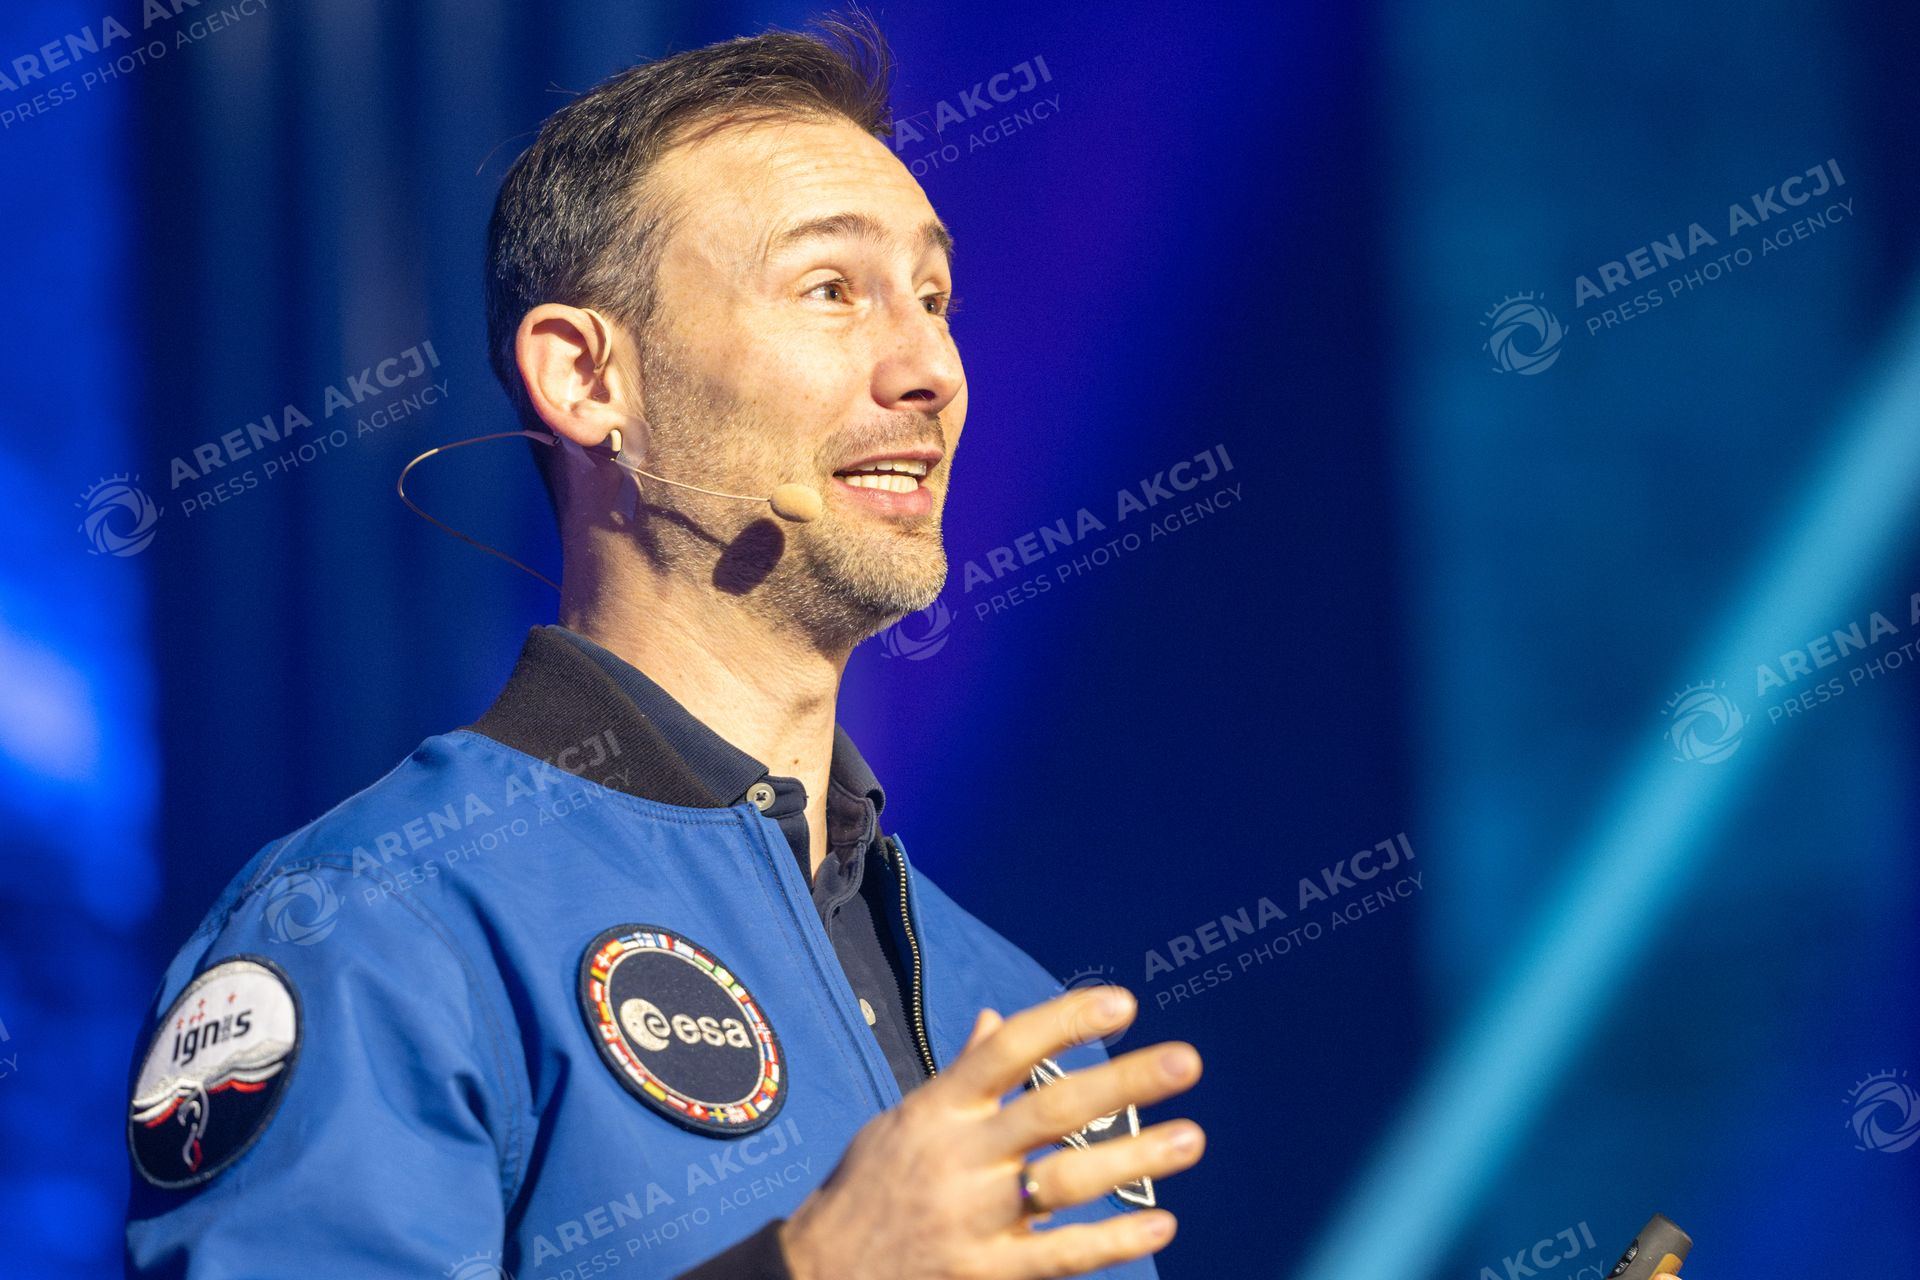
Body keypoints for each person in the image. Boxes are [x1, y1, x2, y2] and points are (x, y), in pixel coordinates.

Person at [124, 14, 1206, 1279]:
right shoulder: (373, 920)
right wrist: (812, 1266)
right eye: (830, 289)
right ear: (588, 378)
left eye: (933, 297)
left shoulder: (1018, 1021)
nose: (931, 367)